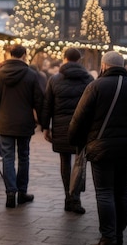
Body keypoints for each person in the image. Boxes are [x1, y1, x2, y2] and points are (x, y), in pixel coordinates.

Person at [69, 51, 127, 245]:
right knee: (122, 191)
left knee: (105, 192)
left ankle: (108, 237)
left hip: (102, 148)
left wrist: (75, 141)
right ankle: (119, 236)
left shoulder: (95, 86)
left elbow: (79, 118)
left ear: (104, 66)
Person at [0, 45, 44, 208]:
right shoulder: (32, 75)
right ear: (24, 55)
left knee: (8, 157)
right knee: (24, 157)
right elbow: (38, 100)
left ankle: (10, 192)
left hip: (5, 122)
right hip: (24, 123)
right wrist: (41, 121)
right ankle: (22, 191)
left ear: (9, 55)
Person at [40, 48, 93, 214]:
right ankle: (75, 198)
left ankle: (67, 197)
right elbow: (92, 106)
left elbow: (47, 104)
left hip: (61, 126)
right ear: (79, 59)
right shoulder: (88, 79)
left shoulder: (55, 79)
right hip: (81, 127)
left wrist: (45, 127)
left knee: (65, 162)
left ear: (64, 58)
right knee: (79, 162)